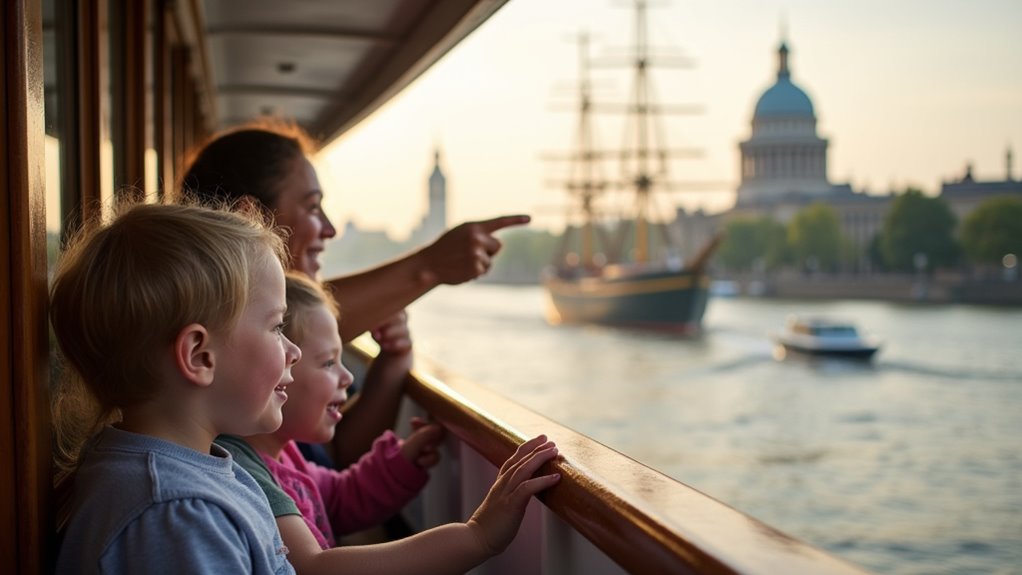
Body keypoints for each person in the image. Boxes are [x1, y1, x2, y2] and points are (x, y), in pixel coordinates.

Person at [181, 120, 530, 467]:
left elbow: (329, 461)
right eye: (312, 207)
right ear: (249, 217)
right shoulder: (234, 375)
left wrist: (392, 361)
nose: (330, 229)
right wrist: (429, 268)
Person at [51, 203, 301, 573]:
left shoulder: (182, 481)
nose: (294, 352)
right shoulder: (178, 515)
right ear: (199, 356)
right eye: (277, 327)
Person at [218, 272, 445, 549]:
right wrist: (472, 538)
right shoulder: (244, 473)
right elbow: (316, 565)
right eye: (328, 363)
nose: (347, 377)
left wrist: (402, 462)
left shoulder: (285, 455)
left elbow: (338, 498)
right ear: (277, 371)